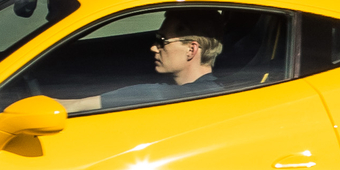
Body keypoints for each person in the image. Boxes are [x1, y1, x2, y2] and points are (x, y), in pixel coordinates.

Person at [60, 29, 224, 112]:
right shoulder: (210, 92)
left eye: (163, 41)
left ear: (191, 50)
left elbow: (79, 105)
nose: (153, 48)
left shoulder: (199, 98)